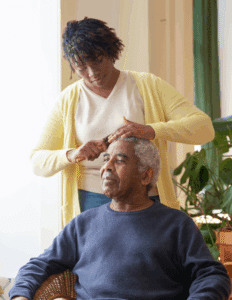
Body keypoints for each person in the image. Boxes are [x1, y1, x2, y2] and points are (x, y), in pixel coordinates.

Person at [30, 17, 215, 226]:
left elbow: (204, 127)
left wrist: (151, 130)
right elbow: (37, 161)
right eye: (81, 67)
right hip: (91, 201)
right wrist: (72, 154)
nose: (92, 73)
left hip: (146, 199)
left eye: (97, 60)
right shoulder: (68, 100)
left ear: (111, 51)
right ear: (72, 66)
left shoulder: (147, 85)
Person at [10, 138, 231, 300]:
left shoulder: (176, 223)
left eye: (119, 161)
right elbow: (39, 264)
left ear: (146, 175)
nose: (106, 167)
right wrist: (20, 295)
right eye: (106, 160)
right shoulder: (83, 223)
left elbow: (212, 275)